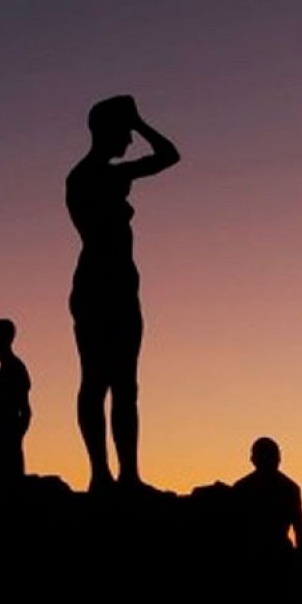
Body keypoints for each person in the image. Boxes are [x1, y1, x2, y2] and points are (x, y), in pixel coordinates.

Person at [67, 95, 179, 491]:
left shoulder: (110, 175)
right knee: (98, 381)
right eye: (126, 132)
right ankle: (101, 473)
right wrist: (140, 122)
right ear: (108, 130)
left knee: (125, 384)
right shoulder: (90, 177)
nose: (131, 141)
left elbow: (169, 156)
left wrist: (138, 121)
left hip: (119, 288)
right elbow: (167, 156)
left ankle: (127, 474)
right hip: (99, 288)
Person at [232, 437, 302, 577]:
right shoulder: (289, 488)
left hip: (260, 560)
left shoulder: (242, 487)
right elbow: (301, 532)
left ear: (253, 459)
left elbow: (300, 532)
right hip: (266, 560)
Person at [0, 318, 32, 489]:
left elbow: (25, 411)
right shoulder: (6, 368)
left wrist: (15, 438)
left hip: (5, 439)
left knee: (5, 488)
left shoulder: (15, 369)